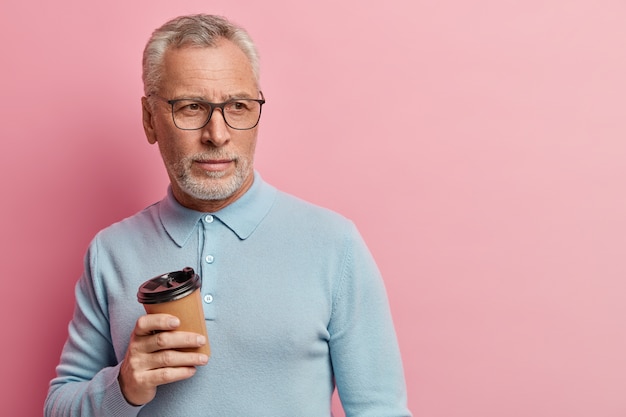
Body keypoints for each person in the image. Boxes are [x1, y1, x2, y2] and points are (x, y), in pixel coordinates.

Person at [44, 14, 411, 417]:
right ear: (150, 119)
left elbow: (381, 410)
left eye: (238, 106)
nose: (217, 134)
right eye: (191, 107)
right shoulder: (110, 252)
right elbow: (59, 404)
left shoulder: (334, 245)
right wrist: (124, 386)